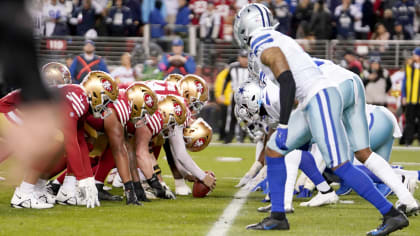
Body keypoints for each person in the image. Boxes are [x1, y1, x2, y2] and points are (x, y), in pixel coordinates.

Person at [234, 4, 409, 234]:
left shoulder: (260, 41)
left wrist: (284, 124)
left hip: (320, 96)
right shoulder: (275, 36)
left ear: (248, 24)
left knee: (341, 165)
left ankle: (392, 214)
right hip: (312, 97)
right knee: (275, 149)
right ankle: (277, 216)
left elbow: (287, 79)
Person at [221, 49, 248, 143]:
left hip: (248, 96)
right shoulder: (233, 67)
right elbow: (226, 80)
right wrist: (222, 93)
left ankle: (245, 136)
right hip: (236, 95)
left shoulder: (252, 67)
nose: (244, 60)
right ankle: (229, 137)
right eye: (242, 57)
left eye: (246, 58)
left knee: (247, 117)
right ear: (238, 58)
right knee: (232, 116)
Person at [401, 47, 420, 146]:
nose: (413, 56)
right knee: (409, 121)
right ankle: (408, 141)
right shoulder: (409, 67)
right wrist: (403, 96)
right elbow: (404, 82)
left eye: (415, 54)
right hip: (410, 99)